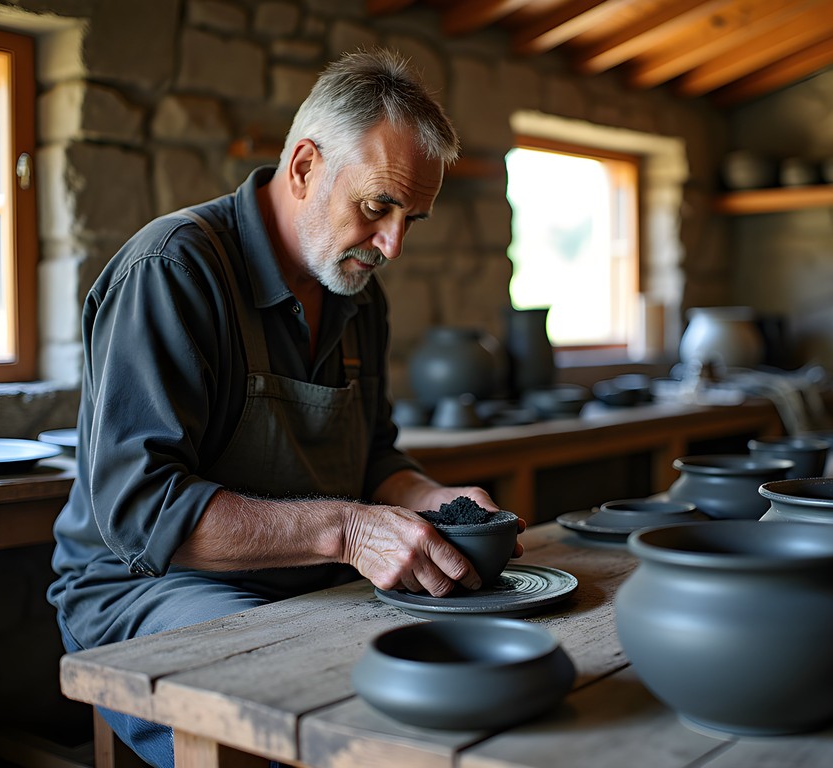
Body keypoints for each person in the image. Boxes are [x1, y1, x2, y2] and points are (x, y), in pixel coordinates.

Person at [47, 48, 523, 767]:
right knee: (322, 712)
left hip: (306, 579)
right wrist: (349, 533)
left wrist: (434, 500)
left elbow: (372, 461)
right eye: (377, 206)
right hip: (150, 592)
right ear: (303, 167)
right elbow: (143, 513)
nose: (392, 242)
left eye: (411, 219)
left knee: (464, 680)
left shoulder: (357, 292)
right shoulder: (172, 272)